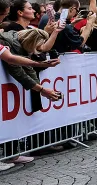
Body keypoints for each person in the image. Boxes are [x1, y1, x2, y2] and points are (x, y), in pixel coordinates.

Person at [0, 27, 63, 165]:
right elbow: (16, 68)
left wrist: (40, 89)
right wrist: (41, 90)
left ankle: (13, 154)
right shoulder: (9, 42)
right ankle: (10, 155)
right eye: (37, 47)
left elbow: (28, 68)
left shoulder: (18, 44)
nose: (38, 51)